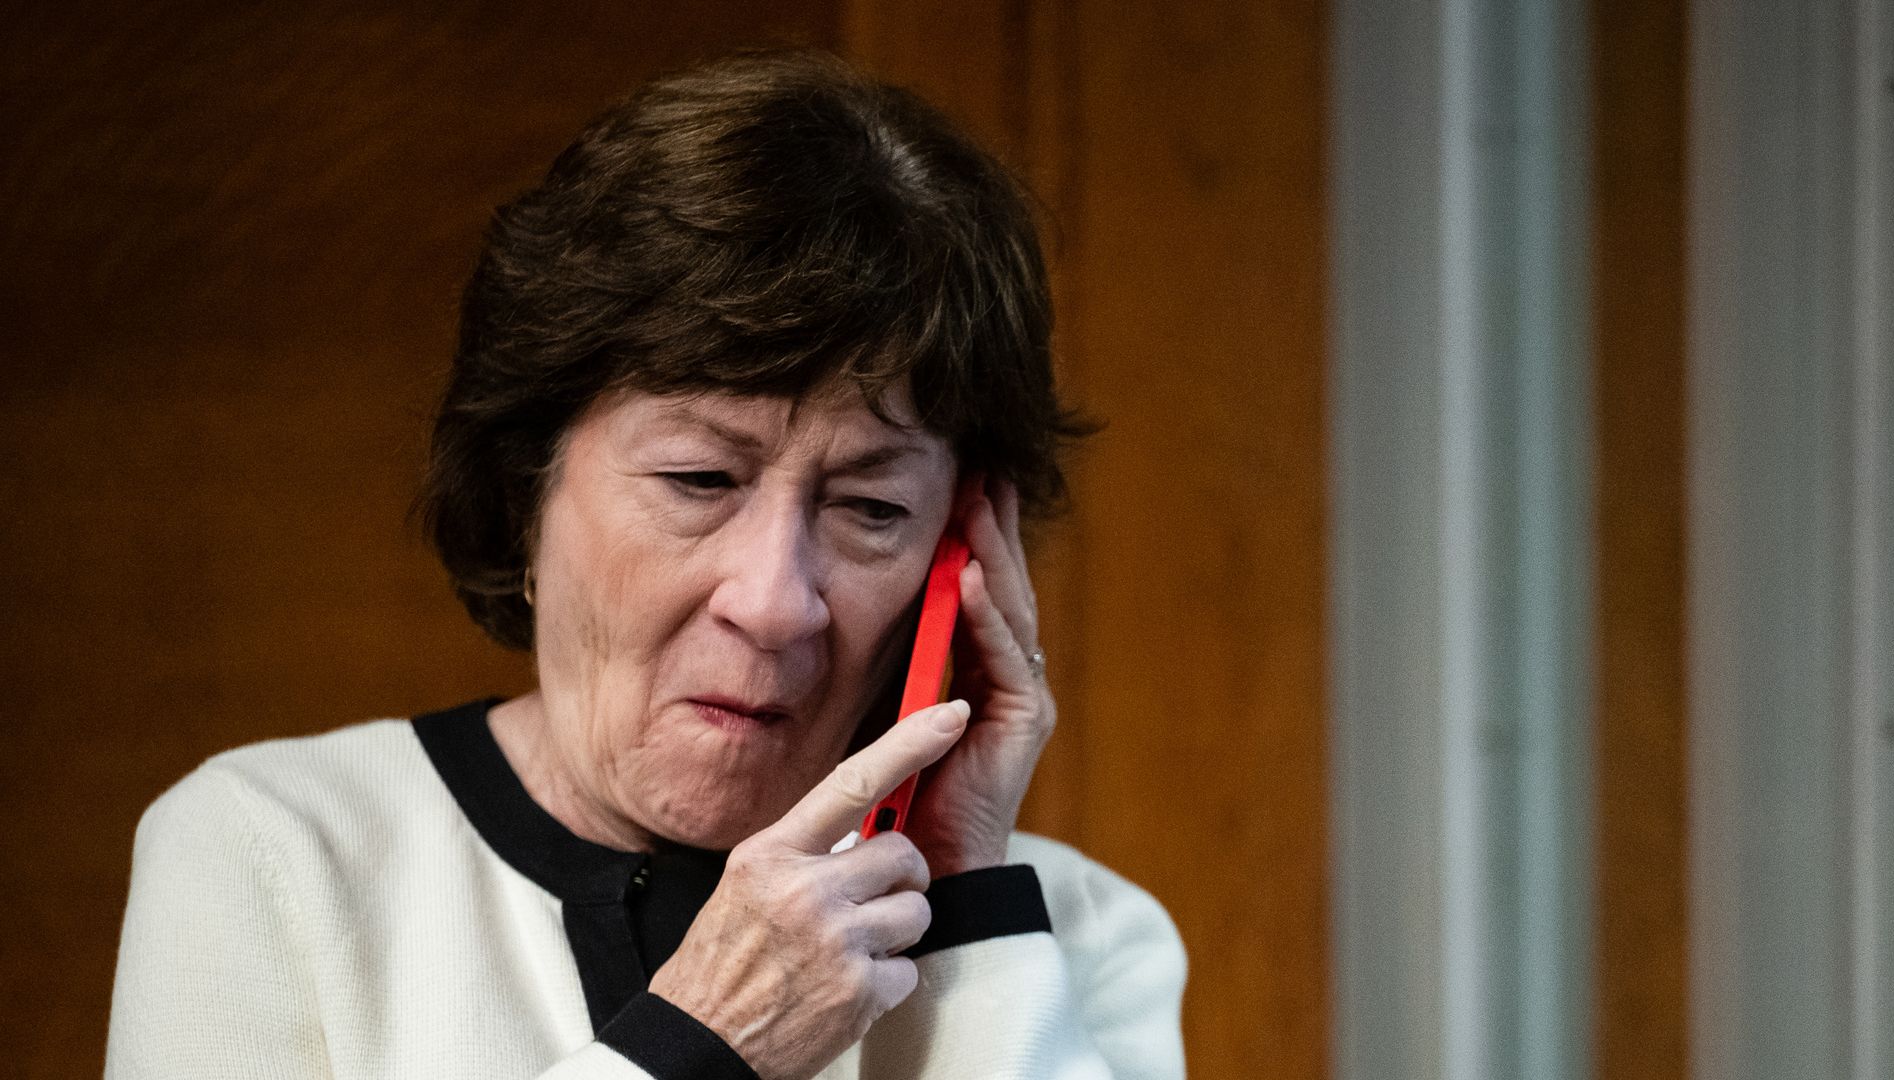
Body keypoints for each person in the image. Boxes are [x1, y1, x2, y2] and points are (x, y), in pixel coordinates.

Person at [105, 49, 1185, 1080]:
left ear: (961, 556)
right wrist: (698, 1048)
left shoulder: (1079, 940)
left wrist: (966, 907)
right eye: (700, 481)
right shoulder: (273, 853)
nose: (772, 605)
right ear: (531, 480)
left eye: (870, 507)